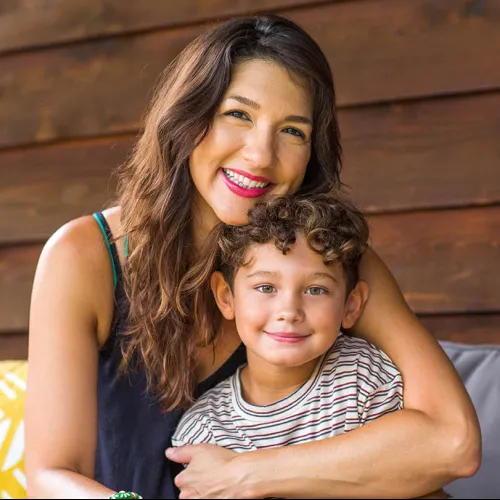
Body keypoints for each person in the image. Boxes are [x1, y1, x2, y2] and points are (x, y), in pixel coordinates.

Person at [25, 13, 480, 500]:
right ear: (188, 118)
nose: (261, 155)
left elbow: (453, 441)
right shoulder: (84, 256)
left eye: (293, 131)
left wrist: (248, 473)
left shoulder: (330, 258)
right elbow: (50, 476)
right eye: (238, 114)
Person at [172, 193, 405, 451]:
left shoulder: (366, 380)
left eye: (315, 290)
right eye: (266, 287)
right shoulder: (205, 430)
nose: (290, 311)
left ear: (350, 305)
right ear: (227, 297)